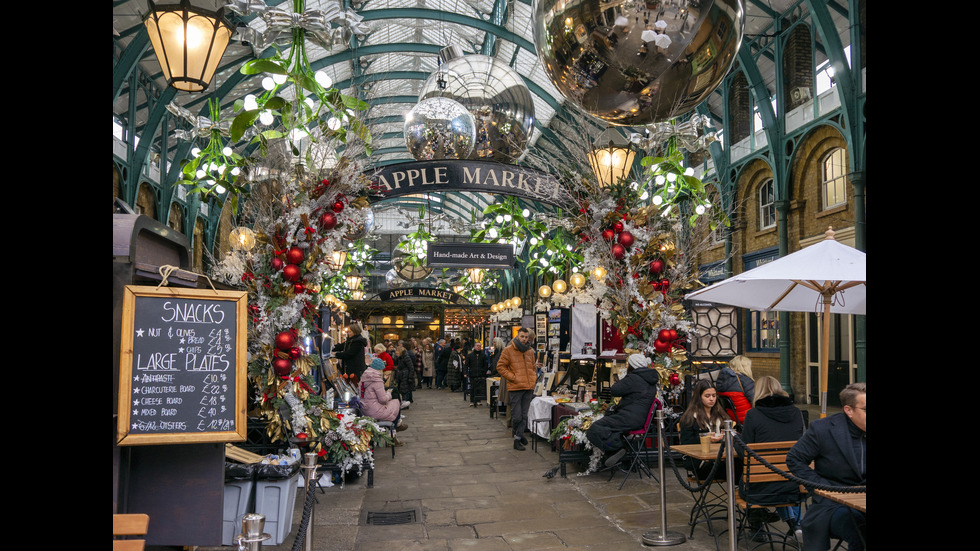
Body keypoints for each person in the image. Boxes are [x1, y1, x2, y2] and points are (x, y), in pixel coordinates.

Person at [787, 383, 866, 551]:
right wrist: (823, 487)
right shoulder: (824, 429)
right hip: (833, 504)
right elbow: (794, 459)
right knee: (861, 528)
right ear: (849, 410)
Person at [739, 376, 807, 536]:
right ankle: (796, 525)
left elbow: (745, 451)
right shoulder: (797, 412)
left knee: (745, 477)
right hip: (794, 483)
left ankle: (757, 529)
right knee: (783, 479)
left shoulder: (753, 414)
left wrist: (735, 440)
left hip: (759, 487)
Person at [585, 354, 660, 467]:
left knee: (594, 429)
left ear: (632, 366)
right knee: (610, 427)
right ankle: (614, 451)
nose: (626, 366)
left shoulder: (633, 378)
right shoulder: (650, 380)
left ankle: (616, 448)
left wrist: (622, 379)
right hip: (640, 419)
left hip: (628, 418)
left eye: (628, 364)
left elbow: (615, 390)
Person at [494, 327, 542, 450]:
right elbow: (500, 367)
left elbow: (532, 367)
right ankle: (518, 436)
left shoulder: (530, 351)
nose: (524, 339)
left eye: (526, 337)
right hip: (516, 387)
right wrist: (513, 377)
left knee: (524, 415)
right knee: (517, 416)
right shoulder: (508, 350)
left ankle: (518, 438)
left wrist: (533, 378)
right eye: (522, 336)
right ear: (517, 336)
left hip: (528, 387)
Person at [679, 379, 730, 478]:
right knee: (737, 467)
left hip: (721, 459)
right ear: (699, 397)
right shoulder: (690, 417)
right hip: (701, 464)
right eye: (707, 396)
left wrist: (725, 436)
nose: (711, 399)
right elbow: (686, 444)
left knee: (743, 463)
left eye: (714, 396)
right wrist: (706, 439)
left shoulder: (721, 415)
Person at [359, 358, 406, 443]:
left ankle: (395, 429)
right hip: (375, 411)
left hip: (365, 409)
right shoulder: (377, 380)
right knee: (396, 402)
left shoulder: (364, 377)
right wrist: (388, 393)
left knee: (393, 398)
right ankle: (393, 432)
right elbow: (383, 400)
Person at [716, 355, 755, 425]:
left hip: (732, 418)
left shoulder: (721, 381)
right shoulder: (745, 380)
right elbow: (755, 401)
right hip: (747, 418)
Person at [466, 341, 489, 407]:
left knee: (479, 388)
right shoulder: (470, 355)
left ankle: (478, 400)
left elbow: (485, 365)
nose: (478, 347)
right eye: (477, 346)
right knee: (472, 387)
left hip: (480, 374)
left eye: (480, 346)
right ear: (474, 347)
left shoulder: (483, 355)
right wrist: (465, 372)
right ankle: (472, 401)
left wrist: (484, 371)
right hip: (472, 374)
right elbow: (467, 364)